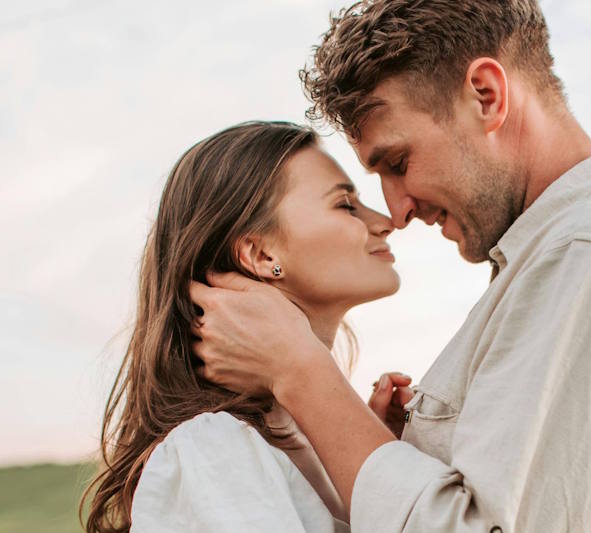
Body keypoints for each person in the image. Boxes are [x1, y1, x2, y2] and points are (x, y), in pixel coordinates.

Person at [190, 1, 591, 532]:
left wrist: (300, 372)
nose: (396, 211)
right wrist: (391, 457)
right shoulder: (573, 254)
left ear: (486, 96)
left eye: (398, 163)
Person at [82, 121, 410, 533]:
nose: (386, 221)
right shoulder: (212, 450)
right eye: (345, 205)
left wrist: (383, 464)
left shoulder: (302, 446)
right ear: (258, 253)